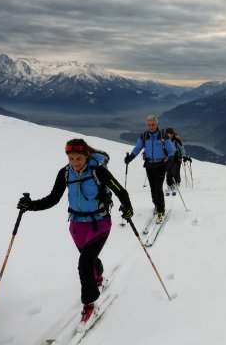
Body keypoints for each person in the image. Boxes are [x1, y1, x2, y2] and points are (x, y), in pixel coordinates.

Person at [16, 138, 133, 327]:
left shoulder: (98, 171)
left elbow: (120, 191)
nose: (75, 162)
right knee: (89, 259)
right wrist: (31, 206)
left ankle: (89, 302)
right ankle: (99, 274)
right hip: (77, 226)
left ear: (86, 155)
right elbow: (53, 198)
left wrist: (127, 207)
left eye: (79, 158)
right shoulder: (65, 173)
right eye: (71, 158)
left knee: (84, 263)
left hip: (100, 223)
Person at [124, 115, 174, 223]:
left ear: (157, 124)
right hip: (149, 165)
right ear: (146, 125)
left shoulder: (163, 135)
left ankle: (161, 210)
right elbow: (138, 148)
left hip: (161, 165)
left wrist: (170, 159)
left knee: (158, 187)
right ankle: (156, 205)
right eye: (149, 125)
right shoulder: (144, 136)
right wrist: (130, 157)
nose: (151, 127)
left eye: (153, 125)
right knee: (152, 187)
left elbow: (170, 150)